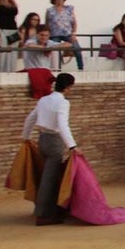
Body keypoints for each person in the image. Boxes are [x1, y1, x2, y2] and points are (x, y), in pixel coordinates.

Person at [21, 73, 81, 225]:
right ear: (68, 87)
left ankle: (51, 210)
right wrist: (72, 146)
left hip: (42, 140)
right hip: (54, 142)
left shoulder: (43, 100)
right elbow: (62, 125)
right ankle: (44, 214)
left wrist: (26, 137)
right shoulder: (63, 103)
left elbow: (31, 118)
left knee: (47, 176)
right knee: (50, 179)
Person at [45, 0, 84, 71]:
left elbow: (74, 22)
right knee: (55, 51)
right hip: (54, 34)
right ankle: (55, 69)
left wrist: (74, 33)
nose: (60, 0)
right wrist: (47, 35)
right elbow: (47, 24)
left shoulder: (69, 9)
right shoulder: (50, 10)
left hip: (67, 33)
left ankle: (81, 68)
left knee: (77, 48)